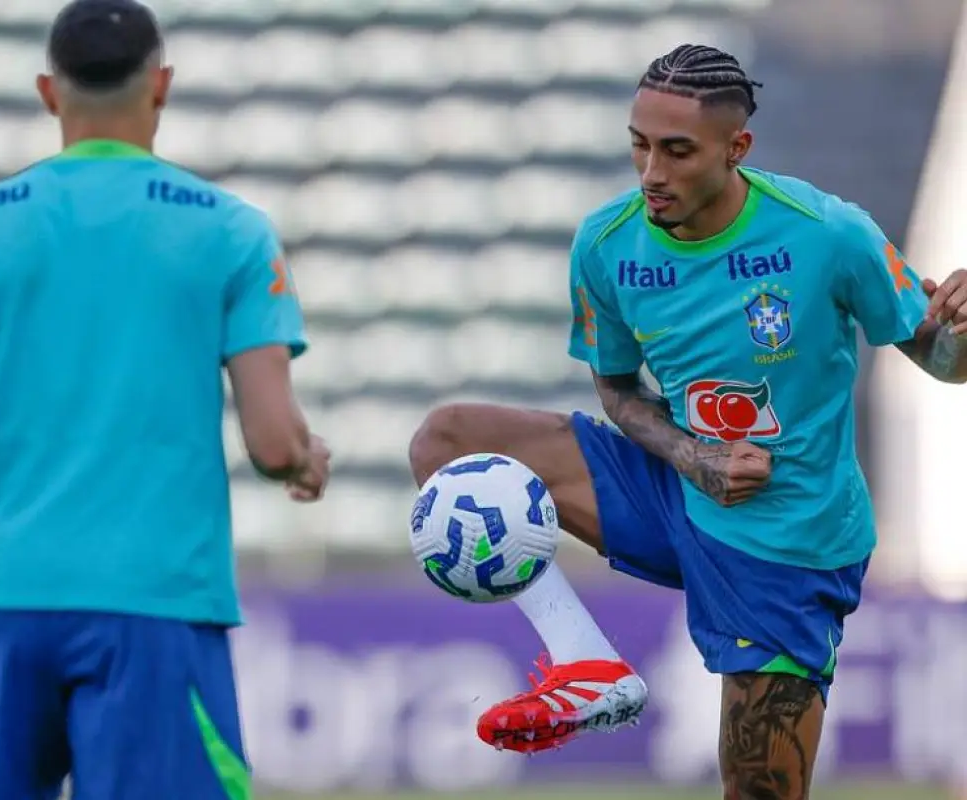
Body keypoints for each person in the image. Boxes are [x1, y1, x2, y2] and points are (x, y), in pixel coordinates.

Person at [409, 43, 967, 799]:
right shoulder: (607, 245)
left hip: (786, 538)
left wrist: (962, 333)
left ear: (738, 149)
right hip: (676, 485)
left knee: (759, 793)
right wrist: (692, 455)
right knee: (446, 442)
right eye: (639, 146)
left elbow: (943, 363)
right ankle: (585, 664)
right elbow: (616, 392)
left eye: (677, 151)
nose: (651, 174)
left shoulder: (828, 234)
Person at [0, 1, 329, 797]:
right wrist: (305, 459)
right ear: (160, 86)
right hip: (156, 600)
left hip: (3, 599)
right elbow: (273, 444)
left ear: (47, 91)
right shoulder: (231, 232)